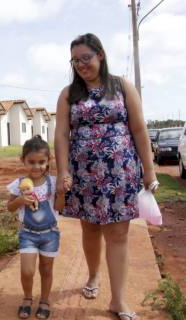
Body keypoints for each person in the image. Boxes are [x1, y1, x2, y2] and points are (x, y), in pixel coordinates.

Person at [55, 33, 158, 320]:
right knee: (90, 230)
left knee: (118, 234)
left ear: (100, 54)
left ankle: (119, 300)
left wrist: (149, 172)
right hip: (84, 177)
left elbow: (139, 129)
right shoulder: (68, 94)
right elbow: (62, 136)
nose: (80, 65)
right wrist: (63, 171)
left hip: (121, 173)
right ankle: (93, 275)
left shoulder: (121, 86)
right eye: (75, 61)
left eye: (85, 58)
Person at [7, 135, 70, 319]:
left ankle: (44, 300)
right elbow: (10, 207)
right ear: (23, 161)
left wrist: (61, 194)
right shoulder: (19, 184)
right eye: (31, 162)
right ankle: (27, 298)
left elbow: (59, 208)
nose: (36, 167)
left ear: (48, 161)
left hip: (50, 234)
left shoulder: (53, 182)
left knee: (46, 270)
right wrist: (19, 200)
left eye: (41, 162)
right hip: (28, 234)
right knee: (27, 270)